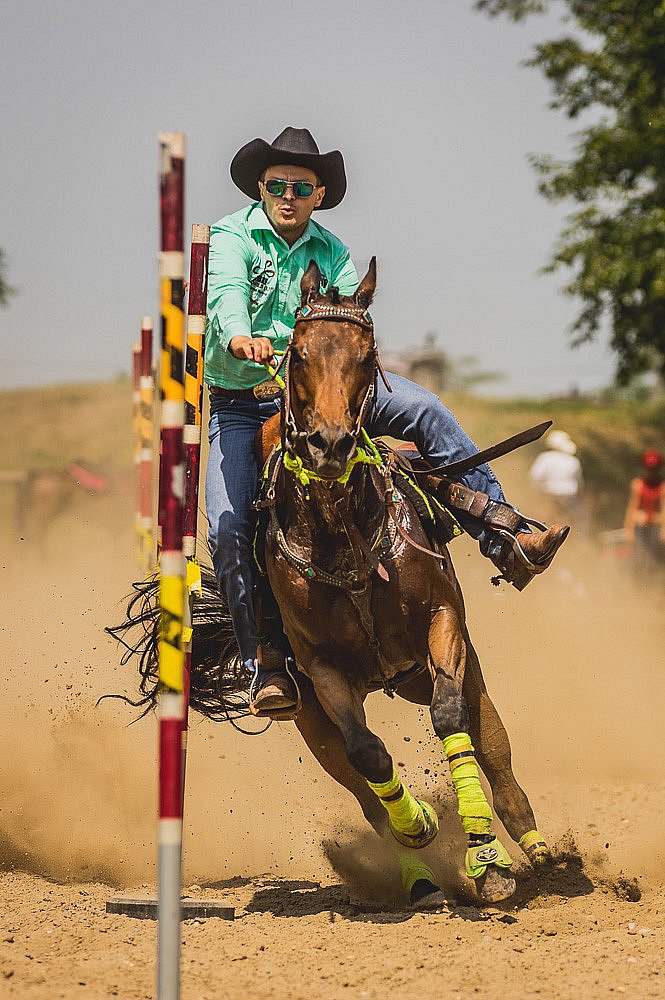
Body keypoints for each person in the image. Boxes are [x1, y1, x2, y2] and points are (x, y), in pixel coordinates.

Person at [204, 126, 569, 718]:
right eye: (277, 185)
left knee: (425, 409)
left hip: (329, 393)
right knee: (226, 524)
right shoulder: (230, 239)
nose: (288, 195)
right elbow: (223, 302)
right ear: (261, 188)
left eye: (301, 186)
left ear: (319, 194)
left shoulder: (336, 253)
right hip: (245, 401)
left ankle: (502, 531)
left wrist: (341, 361)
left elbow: (353, 323)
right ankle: (264, 661)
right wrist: (242, 336)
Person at [529, 430, 589, 534]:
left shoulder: (544, 458)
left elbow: (535, 477)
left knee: (535, 519)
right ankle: (582, 541)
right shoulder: (573, 461)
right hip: (568, 499)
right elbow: (580, 484)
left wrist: (538, 493)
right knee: (582, 520)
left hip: (548, 496)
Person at [623, 449, 665, 571]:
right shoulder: (638, 484)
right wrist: (628, 528)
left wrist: (663, 529)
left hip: (655, 526)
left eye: (654, 469)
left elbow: (663, 509)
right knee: (637, 557)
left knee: (653, 560)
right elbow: (632, 507)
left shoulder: (662, 486)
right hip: (640, 526)